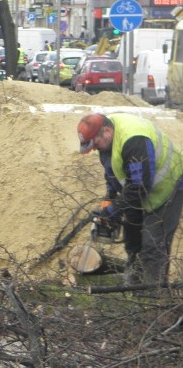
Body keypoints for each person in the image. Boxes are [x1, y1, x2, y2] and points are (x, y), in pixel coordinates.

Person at [78, 112, 183, 286]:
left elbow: (140, 187)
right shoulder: (106, 142)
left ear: (107, 131)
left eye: (95, 143)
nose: (95, 148)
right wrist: (110, 198)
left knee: (153, 245)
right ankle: (134, 287)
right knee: (132, 239)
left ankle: (153, 300)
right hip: (140, 189)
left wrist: (113, 211)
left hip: (169, 185)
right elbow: (112, 171)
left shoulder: (133, 140)